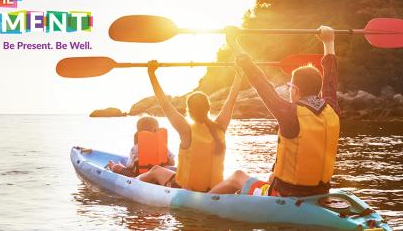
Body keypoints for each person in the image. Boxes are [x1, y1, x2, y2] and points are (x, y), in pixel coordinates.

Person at [209, 26, 340, 197]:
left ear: (296, 90)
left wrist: (233, 43)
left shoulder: (289, 113)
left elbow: (260, 82)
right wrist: (329, 42)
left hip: (284, 195)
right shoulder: (332, 109)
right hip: (320, 192)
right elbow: (330, 80)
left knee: (237, 176)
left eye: (290, 86)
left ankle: (201, 203)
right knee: (271, 176)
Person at [136, 59, 244, 192]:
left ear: (189, 111)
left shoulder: (186, 130)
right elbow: (231, 100)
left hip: (187, 191)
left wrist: (151, 73)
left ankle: (133, 182)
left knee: (156, 170)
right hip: (216, 189)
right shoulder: (220, 126)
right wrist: (239, 74)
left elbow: (164, 104)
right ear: (208, 108)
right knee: (166, 170)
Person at [106, 116, 176, 177]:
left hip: (137, 176)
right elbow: (172, 163)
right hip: (159, 174)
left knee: (117, 167)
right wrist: (166, 159)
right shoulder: (163, 147)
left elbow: (129, 165)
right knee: (172, 169)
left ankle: (112, 165)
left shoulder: (136, 148)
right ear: (155, 130)